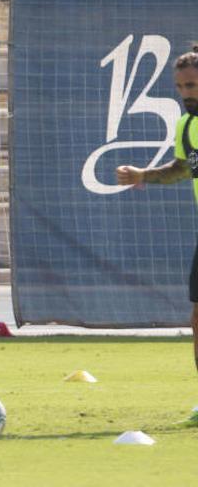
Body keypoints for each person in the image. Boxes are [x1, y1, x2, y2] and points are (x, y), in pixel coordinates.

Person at [116, 45, 198, 425]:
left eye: (193, 85)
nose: (187, 93)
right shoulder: (186, 126)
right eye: (182, 87)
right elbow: (183, 168)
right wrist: (144, 175)